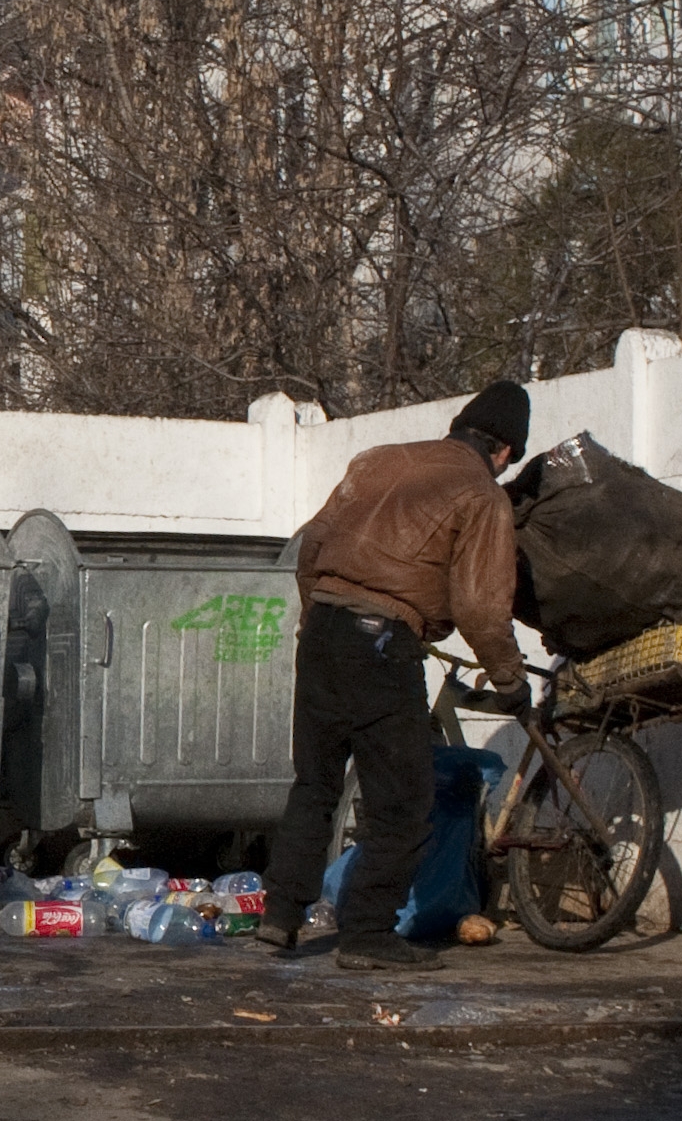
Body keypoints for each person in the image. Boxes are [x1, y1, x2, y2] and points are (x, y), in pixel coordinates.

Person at [258, 381, 534, 969]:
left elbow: (311, 546)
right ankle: (366, 933)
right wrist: (510, 679)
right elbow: (481, 606)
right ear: (506, 451)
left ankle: (280, 916)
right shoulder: (482, 494)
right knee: (404, 803)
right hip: (383, 644)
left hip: (323, 632)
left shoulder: (376, 461)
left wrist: (317, 621)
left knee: (315, 785)